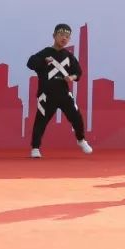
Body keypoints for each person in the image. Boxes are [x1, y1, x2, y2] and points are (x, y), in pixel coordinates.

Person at [26, 23, 92, 158]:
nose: (64, 38)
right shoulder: (45, 52)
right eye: (61, 35)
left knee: (77, 117)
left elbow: (78, 72)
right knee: (41, 121)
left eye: (67, 36)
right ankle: (35, 148)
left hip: (64, 93)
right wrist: (44, 61)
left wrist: (71, 77)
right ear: (54, 36)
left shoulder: (69, 56)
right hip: (46, 94)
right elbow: (30, 63)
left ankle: (81, 140)